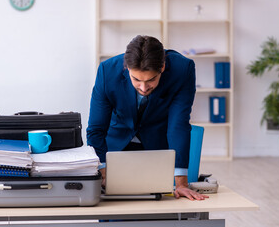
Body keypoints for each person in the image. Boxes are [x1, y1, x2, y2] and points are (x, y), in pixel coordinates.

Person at [87, 35, 207, 201]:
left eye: (151, 80)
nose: (143, 87)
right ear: (127, 68)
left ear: (162, 67)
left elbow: (178, 125)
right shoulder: (107, 72)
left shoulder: (182, 70)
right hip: (115, 149)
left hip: (158, 149)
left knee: (160, 209)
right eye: (136, 80)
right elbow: (96, 129)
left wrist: (181, 183)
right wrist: (103, 170)